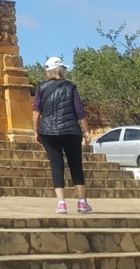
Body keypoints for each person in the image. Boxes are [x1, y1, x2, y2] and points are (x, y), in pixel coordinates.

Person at [32, 56, 92, 213]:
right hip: (70, 130)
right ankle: (82, 202)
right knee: (75, 164)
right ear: (60, 70)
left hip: (48, 131)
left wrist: (36, 130)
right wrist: (86, 131)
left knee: (56, 165)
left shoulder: (41, 88)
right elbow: (80, 111)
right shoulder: (70, 87)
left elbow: (36, 111)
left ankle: (61, 203)